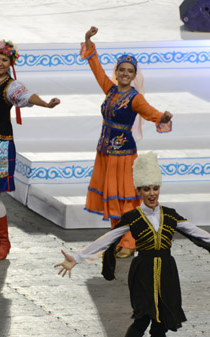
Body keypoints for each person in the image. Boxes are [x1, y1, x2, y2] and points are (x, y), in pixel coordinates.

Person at [55, 152, 210, 337]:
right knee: (142, 320)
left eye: (155, 188)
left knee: (160, 328)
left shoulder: (170, 215)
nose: (151, 193)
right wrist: (77, 258)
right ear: (139, 190)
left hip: (168, 274)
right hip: (142, 274)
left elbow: (195, 231)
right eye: (147, 189)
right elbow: (107, 240)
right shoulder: (133, 217)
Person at [0, 5, 60, 260]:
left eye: (5, 60)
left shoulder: (11, 86)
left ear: (10, 63)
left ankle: (4, 243)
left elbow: (28, 96)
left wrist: (46, 104)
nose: (0, 63)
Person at [81, 26, 173, 259]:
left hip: (123, 154)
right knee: (112, 199)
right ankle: (115, 241)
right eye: (121, 70)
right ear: (117, 72)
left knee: (126, 200)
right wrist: (88, 42)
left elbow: (152, 113)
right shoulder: (110, 90)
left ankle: (130, 243)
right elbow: (96, 70)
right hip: (105, 153)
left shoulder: (135, 98)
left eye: (129, 71)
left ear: (134, 75)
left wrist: (163, 117)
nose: (124, 74)